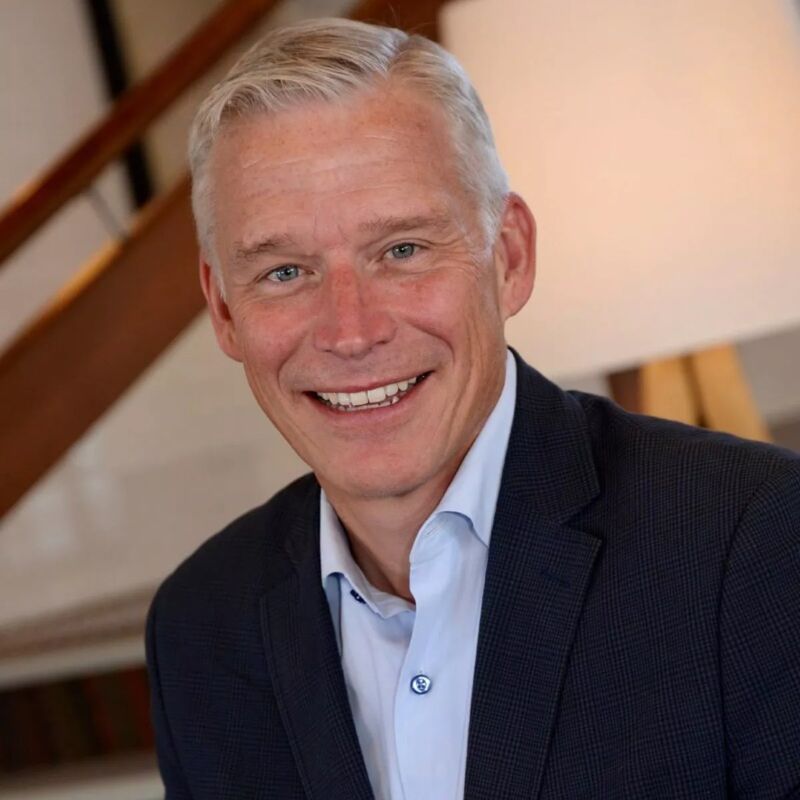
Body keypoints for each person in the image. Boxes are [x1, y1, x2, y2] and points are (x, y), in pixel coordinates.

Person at [145, 17, 800, 800]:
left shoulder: (752, 542)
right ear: (224, 311)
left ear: (510, 257)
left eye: (403, 251)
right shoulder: (200, 629)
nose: (351, 331)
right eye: (285, 271)